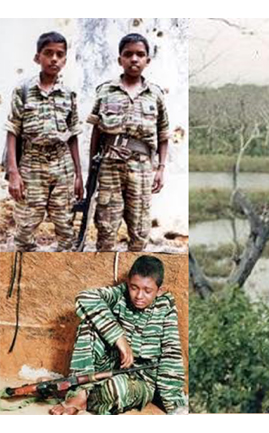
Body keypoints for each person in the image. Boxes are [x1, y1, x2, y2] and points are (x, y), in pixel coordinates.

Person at [49, 255, 187, 415]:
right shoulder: (120, 294)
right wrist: (118, 338)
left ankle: (85, 396)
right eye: (134, 288)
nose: (139, 296)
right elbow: (85, 297)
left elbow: (171, 354)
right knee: (89, 322)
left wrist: (174, 405)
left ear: (159, 290)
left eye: (148, 291)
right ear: (128, 284)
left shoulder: (165, 307)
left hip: (141, 380)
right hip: (108, 366)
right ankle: (80, 393)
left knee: (115, 389)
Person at [88, 33, 169, 251]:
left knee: (140, 227)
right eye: (128, 54)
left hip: (141, 167)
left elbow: (163, 134)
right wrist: (91, 170)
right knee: (106, 225)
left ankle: (134, 273)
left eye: (140, 55)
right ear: (120, 59)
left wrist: (160, 169)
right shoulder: (105, 91)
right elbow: (96, 131)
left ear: (147, 60)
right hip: (109, 164)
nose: (134, 59)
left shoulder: (156, 95)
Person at [3, 31, 83, 251]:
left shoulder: (69, 94)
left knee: (66, 227)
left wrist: (78, 175)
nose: (54, 59)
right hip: (31, 164)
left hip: (62, 165)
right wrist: (13, 173)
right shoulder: (24, 90)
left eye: (59, 54)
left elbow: (73, 135)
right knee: (25, 227)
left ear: (65, 60)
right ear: (37, 57)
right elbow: (13, 131)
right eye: (48, 53)